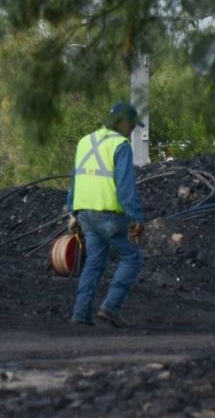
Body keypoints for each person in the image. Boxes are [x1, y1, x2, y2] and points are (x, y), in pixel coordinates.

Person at [67, 102, 146, 328]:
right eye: (131, 124)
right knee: (131, 257)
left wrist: (71, 211)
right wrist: (136, 218)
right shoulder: (120, 144)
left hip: (85, 214)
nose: (132, 129)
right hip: (109, 214)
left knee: (94, 262)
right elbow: (125, 185)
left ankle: (80, 314)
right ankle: (110, 308)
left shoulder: (85, 141)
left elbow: (75, 178)